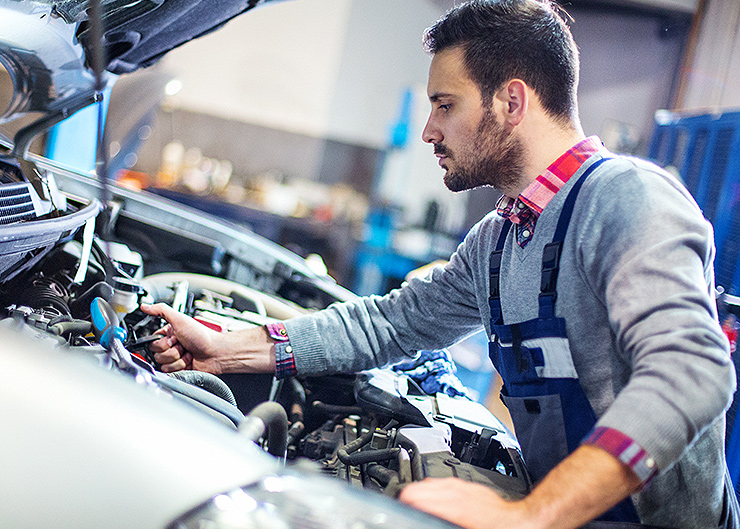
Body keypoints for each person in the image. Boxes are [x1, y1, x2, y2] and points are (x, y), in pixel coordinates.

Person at [141, 1, 738, 527]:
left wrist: (534, 516)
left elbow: (694, 372)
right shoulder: (498, 240)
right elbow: (390, 326)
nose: (429, 130)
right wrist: (229, 348)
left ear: (511, 100)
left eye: (444, 105)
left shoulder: (628, 199)